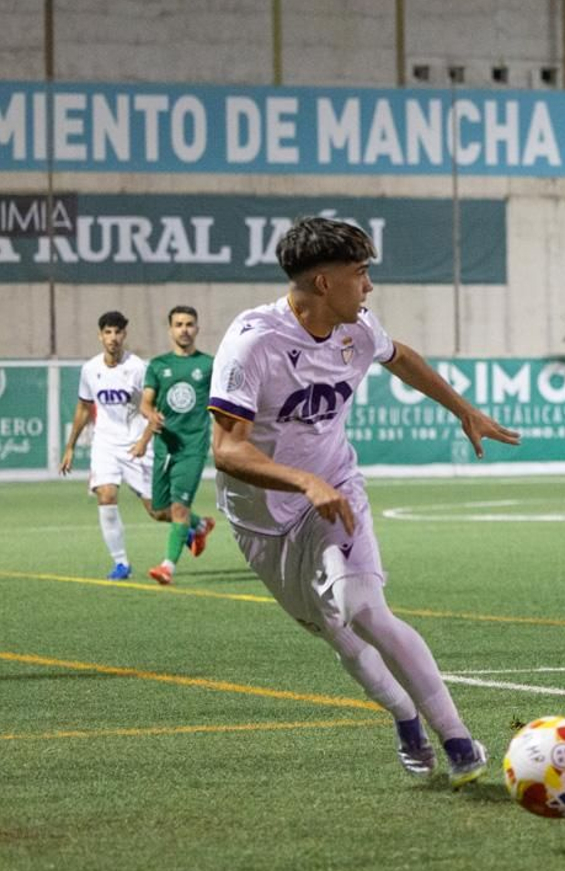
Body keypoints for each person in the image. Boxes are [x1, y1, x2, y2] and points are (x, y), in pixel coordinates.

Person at [207, 217, 520, 786]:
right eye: (361, 273)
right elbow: (227, 450)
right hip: (262, 516)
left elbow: (399, 356)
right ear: (324, 282)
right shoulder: (254, 342)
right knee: (339, 632)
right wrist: (301, 483)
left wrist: (462, 408)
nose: (369, 286)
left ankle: (458, 743)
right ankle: (405, 719)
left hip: (336, 488)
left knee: (364, 607)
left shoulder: (358, 327)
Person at [60, 311, 163, 579]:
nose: (113, 338)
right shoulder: (90, 369)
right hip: (105, 444)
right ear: (100, 335)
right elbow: (84, 408)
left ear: (124, 335)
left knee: (156, 511)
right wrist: (70, 447)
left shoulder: (138, 368)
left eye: (118, 332)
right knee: (106, 495)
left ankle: (192, 525)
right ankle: (121, 563)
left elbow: (151, 408)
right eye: (108, 332)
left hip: (134, 445)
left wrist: (144, 440)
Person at [131, 305, 217, 585]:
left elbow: (224, 403)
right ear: (170, 329)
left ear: (197, 328)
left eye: (189, 324)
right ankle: (201, 525)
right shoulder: (158, 366)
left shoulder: (208, 365)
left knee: (179, 508)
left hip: (192, 447)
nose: (184, 329)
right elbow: (146, 402)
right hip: (164, 447)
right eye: (179, 324)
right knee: (159, 511)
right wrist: (149, 415)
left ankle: (167, 567)